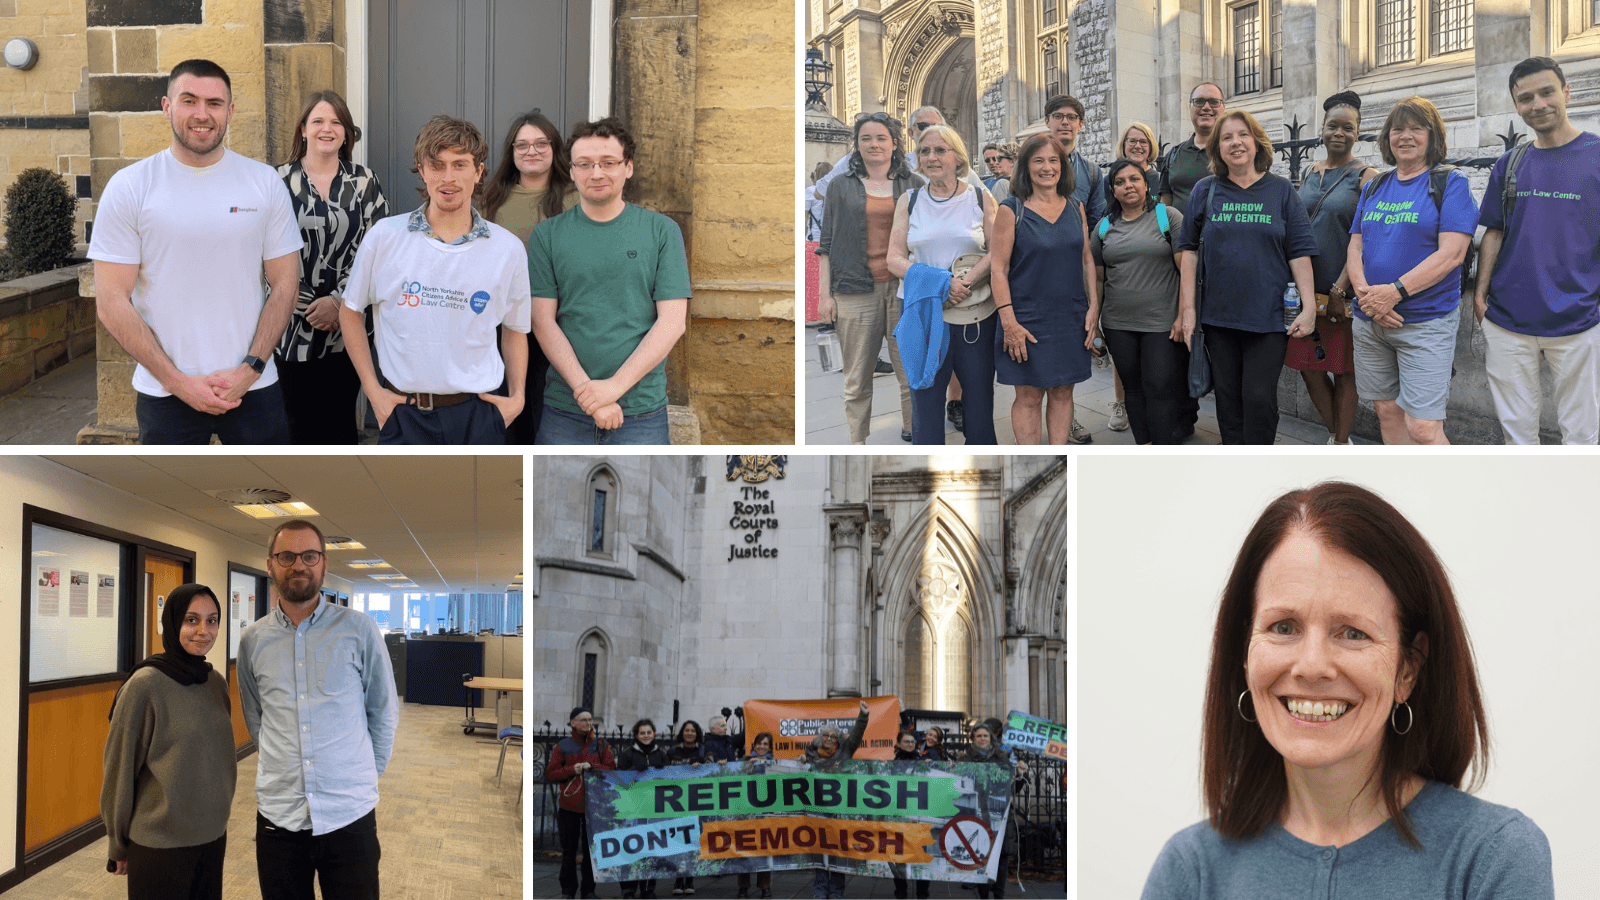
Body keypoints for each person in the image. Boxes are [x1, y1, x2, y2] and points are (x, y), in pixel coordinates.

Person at [1140, 482, 1553, 899]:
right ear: (1245, 655)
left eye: (1353, 633)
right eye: (1283, 627)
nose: (1312, 666)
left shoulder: (1492, 860)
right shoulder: (1189, 871)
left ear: (1408, 669)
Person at [89, 58, 301, 444]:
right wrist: (177, 382)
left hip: (253, 388)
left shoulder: (264, 182)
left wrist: (250, 368)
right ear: (167, 106)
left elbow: (286, 283)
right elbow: (110, 301)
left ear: (231, 112)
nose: (202, 114)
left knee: (274, 499)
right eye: (189, 101)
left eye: (215, 103)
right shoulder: (131, 187)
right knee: (170, 502)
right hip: (166, 394)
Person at [339, 114, 531, 444]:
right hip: (402, 413)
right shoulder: (385, 237)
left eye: (460, 165)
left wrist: (517, 398)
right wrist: (373, 392)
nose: (448, 178)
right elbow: (350, 311)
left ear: (478, 172)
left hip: (478, 415)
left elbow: (515, 330)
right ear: (422, 170)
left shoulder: (507, 249)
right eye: (437, 165)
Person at [238, 519, 399, 900]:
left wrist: (358, 776)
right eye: (287, 556)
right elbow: (256, 717)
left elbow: (383, 712)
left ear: (324, 564)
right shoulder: (252, 640)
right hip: (280, 815)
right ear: (271, 565)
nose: (299, 565)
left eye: (309, 555)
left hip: (349, 813)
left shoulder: (359, 630)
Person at [531, 117, 691, 444]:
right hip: (566, 410)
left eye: (608, 163)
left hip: (641, 410)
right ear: (572, 171)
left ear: (628, 167)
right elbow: (542, 321)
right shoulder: (547, 235)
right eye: (585, 164)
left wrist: (614, 387)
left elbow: (673, 322)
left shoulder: (661, 232)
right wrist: (587, 393)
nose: (597, 173)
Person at [1474, 56, 1600, 445]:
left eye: (1547, 92)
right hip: (1508, 319)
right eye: (1526, 98)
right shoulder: (1510, 162)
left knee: (1582, 437)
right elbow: (1493, 231)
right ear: (1516, 105)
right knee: (1518, 439)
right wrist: (1480, 296)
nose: (1538, 104)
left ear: (1566, 91)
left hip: (1580, 319)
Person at [1176, 109, 1317, 444]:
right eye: (1226, 137)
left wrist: (1309, 308)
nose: (1235, 143)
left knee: (1258, 398)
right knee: (1227, 401)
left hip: (1268, 319)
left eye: (1242, 135)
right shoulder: (1205, 190)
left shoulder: (1281, 191)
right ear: (1217, 148)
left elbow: (1299, 251)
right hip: (1218, 317)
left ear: (1256, 143)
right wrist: (1188, 311)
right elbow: (1189, 252)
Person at [1347, 96, 1476, 446]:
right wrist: (1365, 294)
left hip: (1424, 323)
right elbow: (1355, 245)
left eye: (1417, 128)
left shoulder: (1451, 183)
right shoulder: (1375, 186)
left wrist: (1392, 293)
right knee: (1387, 413)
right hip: (1370, 321)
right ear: (1387, 137)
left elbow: (1452, 254)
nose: (1406, 136)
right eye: (1397, 129)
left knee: (1423, 428)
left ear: (1433, 137)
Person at [102, 584, 233, 900]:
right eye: (192, 620)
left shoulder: (214, 681)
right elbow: (119, 771)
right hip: (160, 843)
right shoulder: (145, 685)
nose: (204, 631)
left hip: (212, 836)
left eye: (212, 620)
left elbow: (219, 758)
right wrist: (117, 843)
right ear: (172, 624)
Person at [274, 90, 389, 444]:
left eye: (336, 122)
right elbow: (263, 256)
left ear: (346, 133)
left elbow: (377, 251)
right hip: (290, 329)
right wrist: (310, 306)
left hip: (349, 330)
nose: (328, 128)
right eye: (319, 121)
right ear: (303, 130)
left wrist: (338, 302)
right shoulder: (276, 182)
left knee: (340, 426)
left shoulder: (365, 183)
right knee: (295, 427)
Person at [889, 124, 997, 445]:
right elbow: (893, 258)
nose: (931, 157)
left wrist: (965, 281)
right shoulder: (909, 201)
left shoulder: (979, 197)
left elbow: (997, 251)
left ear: (958, 157)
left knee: (978, 399)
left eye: (940, 150)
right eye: (924, 151)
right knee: (925, 401)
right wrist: (942, 283)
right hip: (923, 313)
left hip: (973, 313)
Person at [816, 112, 921, 443]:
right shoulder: (839, 186)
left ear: (894, 143)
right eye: (866, 138)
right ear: (857, 145)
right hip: (854, 291)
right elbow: (827, 243)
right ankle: (857, 442)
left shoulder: (914, 184)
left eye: (881, 138)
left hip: (904, 290)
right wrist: (824, 296)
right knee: (858, 377)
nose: (873, 144)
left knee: (910, 373)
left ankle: (913, 430)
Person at [992, 132, 1099, 444]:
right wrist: (1008, 322)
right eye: (1038, 160)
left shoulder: (1076, 207)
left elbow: (1087, 260)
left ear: (1063, 167)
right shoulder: (1011, 209)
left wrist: (1093, 308)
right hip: (1025, 317)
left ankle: (1060, 460)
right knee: (1028, 396)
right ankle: (1031, 463)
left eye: (1054, 160)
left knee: (1064, 392)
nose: (1047, 167)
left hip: (1070, 317)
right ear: (1026, 166)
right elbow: (997, 269)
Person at [481, 110, 580, 445]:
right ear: (511, 152)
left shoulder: (574, 198)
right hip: (503, 323)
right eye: (521, 145)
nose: (531, 151)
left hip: (557, 320)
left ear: (554, 148)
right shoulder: (491, 200)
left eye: (541, 143)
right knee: (507, 407)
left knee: (546, 404)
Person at [1290, 91, 1378, 446]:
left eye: (1348, 127)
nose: (1339, 133)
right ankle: (1335, 436)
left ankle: (1341, 445)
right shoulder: (1310, 173)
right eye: (1332, 126)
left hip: (1342, 292)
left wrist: (1342, 289)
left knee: (1344, 373)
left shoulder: (1367, 177)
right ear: (1321, 130)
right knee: (1309, 370)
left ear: (1358, 132)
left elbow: (1366, 239)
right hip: (1305, 291)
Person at [1091, 159, 1187, 445]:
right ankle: (1143, 444)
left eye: (1134, 179)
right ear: (1113, 190)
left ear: (1146, 184)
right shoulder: (1105, 226)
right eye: (1120, 182)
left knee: (1159, 386)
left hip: (1161, 322)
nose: (1128, 186)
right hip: (1118, 322)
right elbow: (1097, 279)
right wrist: (1094, 323)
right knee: (1132, 387)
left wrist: (1184, 315)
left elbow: (1186, 271)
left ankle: (1162, 446)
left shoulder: (1167, 217)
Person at [545, 706, 615, 900]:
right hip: (569, 807)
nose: (588, 723)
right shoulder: (563, 746)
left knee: (590, 852)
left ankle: (588, 891)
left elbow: (611, 768)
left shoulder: (601, 746)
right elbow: (551, 774)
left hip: (593, 808)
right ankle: (567, 891)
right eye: (584, 720)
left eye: (590, 720)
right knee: (568, 852)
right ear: (573, 722)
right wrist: (571, 770)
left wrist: (592, 766)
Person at [802, 701, 871, 898]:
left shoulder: (846, 751)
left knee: (840, 852)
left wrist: (863, 715)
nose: (829, 739)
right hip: (818, 811)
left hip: (840, 811)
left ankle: (836, 893)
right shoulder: (810, 754)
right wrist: (801, 761)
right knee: (820, 851)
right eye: (826, 735)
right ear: (820, 737)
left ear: (838, 739)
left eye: (833, 736)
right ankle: (820, 892)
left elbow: (857, 733)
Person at [961, 723, 1029, 900]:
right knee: (980, 856)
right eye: (979, 736)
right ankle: (983, 895)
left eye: (986, 736)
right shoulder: (966, 758)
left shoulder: (1002, 758)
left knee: (1001, 858)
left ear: (991, 738)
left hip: (1000, 814)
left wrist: (1021, 774)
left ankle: (999, 895)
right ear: (973, 738)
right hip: (977, 813)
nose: (982, 739)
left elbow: (1013, 788)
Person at [617, 719, 668, 900]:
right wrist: (633, 770)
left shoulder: (661, 754)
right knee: (631, 847)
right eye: (642, 733)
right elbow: (619, 779)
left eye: (649, 732)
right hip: (632, 808)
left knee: (651, 847)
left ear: (653, 733)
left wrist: (664, 772)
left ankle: (648, 888)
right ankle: (628, 889)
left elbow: (671, 781)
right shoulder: (627, 754)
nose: (646, 736)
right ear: (636, 735)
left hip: (653, 807)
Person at [1159, 83, 1225, 213]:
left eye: (1213, 102)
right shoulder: (1173, 155)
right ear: (1190, 108)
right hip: (1179, 233)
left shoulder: (1232, 153)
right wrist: (1163, 232)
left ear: (1223, 108)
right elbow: (1164, 204)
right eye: (1199, 102)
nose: (1206, 107)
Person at [666, 721, 706, 896]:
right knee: (677, 841)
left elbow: (712, 772)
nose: (689, 733)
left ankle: (689, 879)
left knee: (692, 841)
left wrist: (702, 767)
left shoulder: (703, 751)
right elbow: (664, 774)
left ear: (697, 733)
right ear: (682, 733)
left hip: (696, 802)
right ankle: (678, 879)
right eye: (686, 730)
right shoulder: (672, 752)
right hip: (676, 804)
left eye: (692, 730)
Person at [890, 731, 931, 900]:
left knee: (922, 855)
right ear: (898, 744)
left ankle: (922, 892)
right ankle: (901, 889)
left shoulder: (924, 763)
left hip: (920, 817)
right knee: (899, 854)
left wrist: (933, 766)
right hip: (900, 817)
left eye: (913, 741)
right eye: (906, 741)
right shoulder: (890, 765)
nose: (910, 744)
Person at [737, 733, 776, 899]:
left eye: (765, 744)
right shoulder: (744, 761)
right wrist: (746, 767)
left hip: (765, 812)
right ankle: (743, 887)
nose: (762, 747)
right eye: (759, 744)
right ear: (754, 745)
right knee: (744, 850)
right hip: (747, 813)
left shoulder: (775, 763)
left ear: (769, 747)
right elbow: (734, 778)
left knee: (764, 849)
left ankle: (764, 887)